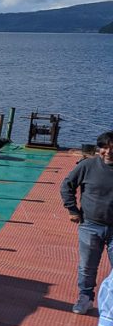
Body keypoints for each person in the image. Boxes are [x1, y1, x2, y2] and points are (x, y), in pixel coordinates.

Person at [60, 131, 113, 315]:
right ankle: (85, 297)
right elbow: (67, 185)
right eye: (104, 148)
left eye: (112, 148)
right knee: (87, 266)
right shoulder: (88, 166)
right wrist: (72, 209)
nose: (108, 152)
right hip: (90, 224)